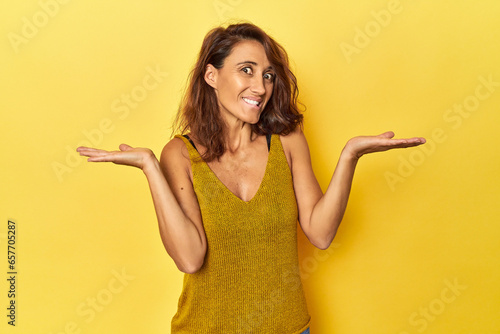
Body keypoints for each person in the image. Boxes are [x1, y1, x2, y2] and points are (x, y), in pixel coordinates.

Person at [76, 22, 425, 333]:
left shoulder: (287, 141)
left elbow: (320, 233)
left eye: (268, 75)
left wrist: (350, 155)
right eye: (247, 70)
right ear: (211, 76)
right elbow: (190, 258)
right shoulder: (180, 154)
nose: (260, 86)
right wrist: (150, 166)